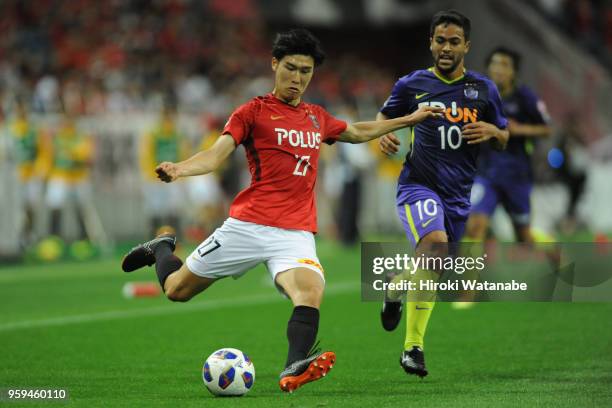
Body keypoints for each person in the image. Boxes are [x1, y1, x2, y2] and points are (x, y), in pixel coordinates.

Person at [121, 28, 442, 393]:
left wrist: (408, 119)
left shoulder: (317, 117)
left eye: (306, 71)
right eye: (291, 68)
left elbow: (356, 130)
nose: (298, 78)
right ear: (275, 64)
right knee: (176, 290)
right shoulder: (252, 112)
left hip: (296, 233)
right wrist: (180, 169)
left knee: (310, 291)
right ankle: (162, 246)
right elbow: (215, 154)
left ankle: (293, 367)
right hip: (248, 225)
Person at [376, 10, 509, 377]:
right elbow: (384, 116)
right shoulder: (412, 84)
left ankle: (394, 288)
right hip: (419, 185)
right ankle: (413, 349)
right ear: (430, 43)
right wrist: (384, 132)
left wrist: (493, 134)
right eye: (440, 40)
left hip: (458, 196)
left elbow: (504, 135)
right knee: (434, 247)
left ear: (466, 45)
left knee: (433, 270)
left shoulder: (484, 90)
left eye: (453, 42)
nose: (446, 48)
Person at [465, 47, 552, 244]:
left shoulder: (526, 97)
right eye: (494, 64)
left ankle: (553, 251)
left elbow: (547, 129)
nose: (498, 69)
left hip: (516, 176)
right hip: (486, 174)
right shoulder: (479, 96)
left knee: (523, 237)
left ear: (514, 71)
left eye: (504, 65)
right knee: (475, 226)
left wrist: (520, 129)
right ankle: (469, 275)